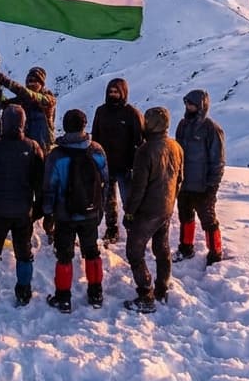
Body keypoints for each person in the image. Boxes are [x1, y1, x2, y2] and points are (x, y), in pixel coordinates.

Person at [0, 104, 45, 306]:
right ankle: (24, 290)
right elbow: (40, 182)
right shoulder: (32, 147)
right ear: (23, 123)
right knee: (24, 252)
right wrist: (38, 208)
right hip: (23, 210)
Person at [41, 108, 109, 312]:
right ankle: (96, 293)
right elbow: (105, 180)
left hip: (65, 213)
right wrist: (100, 208)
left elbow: (50, 187)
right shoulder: (96, 150)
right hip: (90, 211)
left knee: (64, 255)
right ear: (83, 125)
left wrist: (48, 212)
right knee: (92, 251)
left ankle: (63, 297)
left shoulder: (57, 155)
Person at [122, 106, 184, 313]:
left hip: (147, 210)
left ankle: (145, 294)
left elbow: (138, 186)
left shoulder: (145, 151)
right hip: (166, 207)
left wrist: (130, 211)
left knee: (134, 251)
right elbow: (180, 179)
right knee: (162, 248)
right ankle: (162, 287)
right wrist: (171, 200)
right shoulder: (176, 147)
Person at [173, 89, 226, 266]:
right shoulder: (182, 125)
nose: (189, 107)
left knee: (208, 221)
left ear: (201, 106)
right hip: (184, 183)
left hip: (203, 185)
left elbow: (218, 160)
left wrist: (212, 185)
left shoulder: (211, 129)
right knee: (185, 217)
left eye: (192, 104)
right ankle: (186, 247)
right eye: (187, 104)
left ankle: (215, 252)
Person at [91, 77, 144, 245]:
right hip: (105, 164)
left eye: (116, 92)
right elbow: (95, 135)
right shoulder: (101, 111)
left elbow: (139, 140)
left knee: (128, 199)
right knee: (108, 199)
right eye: (110, 92)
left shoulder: (131, 113)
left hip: (125, 165)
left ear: (123, 93)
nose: (113, 95)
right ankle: (111, 227)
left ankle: (132, 228)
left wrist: (135, 164)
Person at [0, 65, 57, 150]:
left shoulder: (48, 100)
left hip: (45, 148)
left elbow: (29, 95)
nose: (30, 83)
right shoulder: (22, 100)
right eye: (29, 81)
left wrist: (6, 82)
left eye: (34, 81)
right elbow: (5, 104)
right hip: (26, 148)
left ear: (41, 84)